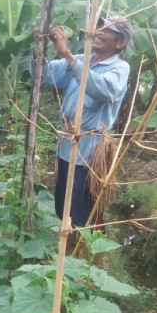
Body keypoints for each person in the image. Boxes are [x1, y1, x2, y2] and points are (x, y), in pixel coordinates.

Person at [41, 14, 133, 229]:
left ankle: (88, 253)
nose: (99, 31)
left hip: (90, 152)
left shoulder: (119, 68)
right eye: (99, 26)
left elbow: (101, 89)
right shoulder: (82, 59)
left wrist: (68, 55)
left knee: (84, 211)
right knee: (64, 206)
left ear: (120, 42)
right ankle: (70, 252)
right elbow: (46, 74)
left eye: (108, 29)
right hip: (66, 145)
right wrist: (40, 48)